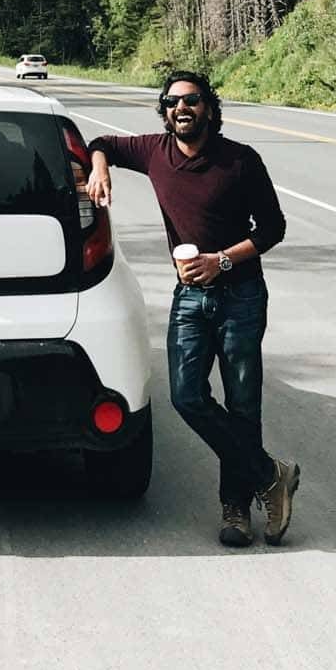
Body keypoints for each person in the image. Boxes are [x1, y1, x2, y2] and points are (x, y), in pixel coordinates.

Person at [86, 69, 300, 548]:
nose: (181, 107)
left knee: (242, 404)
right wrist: (100, 168)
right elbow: (101, 143)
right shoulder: (153, 152)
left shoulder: (240, 161)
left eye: (191, 100)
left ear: (209, 108)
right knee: (186, 397)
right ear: (164, 112)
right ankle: (271, 475)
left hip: (242, 295)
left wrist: (220, 260)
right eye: (171, 102)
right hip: (190, 297)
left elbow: (273, 228)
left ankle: (236, 509)